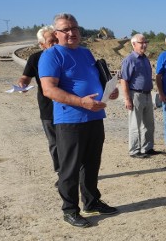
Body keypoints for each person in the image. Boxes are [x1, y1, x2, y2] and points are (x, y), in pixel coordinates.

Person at [39, 13, 119, 228]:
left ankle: (92, 201)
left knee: (92, 164)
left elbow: (95, 80)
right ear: (57, 33)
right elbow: (49, 89)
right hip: (70, 119)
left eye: (74, 28)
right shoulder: (51, 55)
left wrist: (108, 92)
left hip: (94, 116)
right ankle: (70, 209)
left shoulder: (86, 53)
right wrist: (81, 102)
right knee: (70, 168)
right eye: (65, 29)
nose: (71, 32)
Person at [16, 26, 59, 180]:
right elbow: (25, 77)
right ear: (42, 44)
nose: (55, 43)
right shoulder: (35, 58)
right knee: (54, 143)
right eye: (51, 41)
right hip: (48, 109)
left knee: (72, 143)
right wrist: (22, 84)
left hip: (70, 107)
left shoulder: (66, 55)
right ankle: (62, 174)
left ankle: (74, 172)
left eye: (56, 39)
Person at [120, 33, 156, 158]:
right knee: (135, 124)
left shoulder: (145, 59)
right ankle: (134, 150)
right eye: (141, 43)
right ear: (133, 44)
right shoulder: (129, 60)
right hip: (135, 94)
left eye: (145, 42)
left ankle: (148, 148)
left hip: (147, 94)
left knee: (148, 123)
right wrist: (127, 99)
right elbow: (124, 80)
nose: (144, 45)